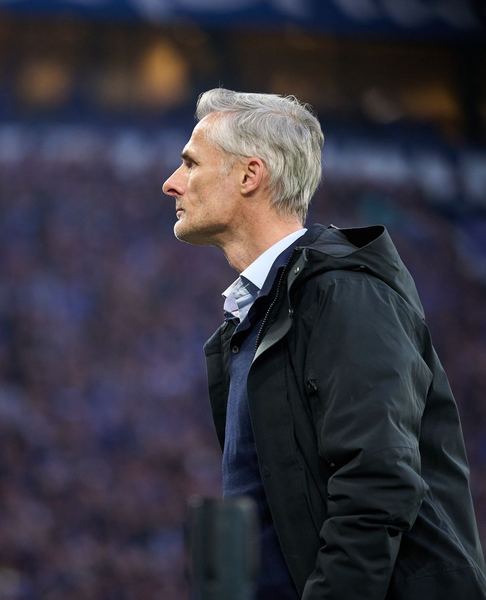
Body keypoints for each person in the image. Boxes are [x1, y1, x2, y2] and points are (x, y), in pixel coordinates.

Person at [163, 87, 486, 599]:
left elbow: (377, 483)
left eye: (190, 163)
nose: (171, 183)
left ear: (250, 176)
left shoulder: (344, 293)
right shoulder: (257, 318)